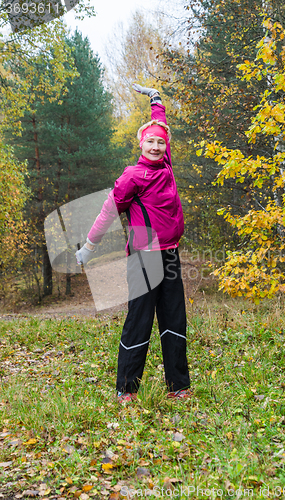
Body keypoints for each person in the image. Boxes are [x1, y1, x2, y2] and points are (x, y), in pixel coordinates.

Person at [76, 83, 191, 402]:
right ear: (141, 144)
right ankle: (126, 390)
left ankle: (178, 386)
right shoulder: (132, 176)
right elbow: (107, 212)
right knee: (139, 322)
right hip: (143, 259)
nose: (155, 146)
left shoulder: (165, 164)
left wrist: (156, 98)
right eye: (150, 142)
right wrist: (89, 246)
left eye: (159, 142)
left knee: (174, 319)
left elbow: (160, 121)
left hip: (169, 255)